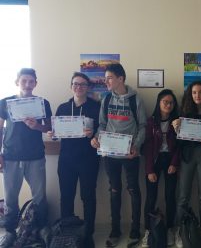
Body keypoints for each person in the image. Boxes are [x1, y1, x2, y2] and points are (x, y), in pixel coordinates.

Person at [91, 63, 146, 248]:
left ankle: (135, 230)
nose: (106, 81)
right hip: (110, 155)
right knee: (114, 191)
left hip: (130, 155)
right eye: (105, 78)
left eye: (109, 78)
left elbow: (143, 127)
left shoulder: (135, 99)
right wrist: (96, 138)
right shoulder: (106, 100)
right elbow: (102, 125)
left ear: (121, 78)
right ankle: (115, 231)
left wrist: (136, 146)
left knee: (133, 190)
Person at [0, 68, 52, 248]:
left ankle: (42, 228)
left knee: (40, 196)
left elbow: (48, 128)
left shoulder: (43, 103)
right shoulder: (5, 102)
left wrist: (36, 126)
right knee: (10, 198)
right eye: (24, 81)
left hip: (35, 156)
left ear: (36, 83)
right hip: (11, 157)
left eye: (31, 81)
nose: (28, 85)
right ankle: (9, 232)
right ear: (17, 82)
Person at [47, 72, 100, 248]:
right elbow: (57, 134)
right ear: (71, 86)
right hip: (67, 160)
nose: (79, 87)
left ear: (88, 87)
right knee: (67, 197)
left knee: (88, 197)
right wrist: (53, 135)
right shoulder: (62, 108)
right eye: (75, 84)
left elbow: (103, 130)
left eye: (83, 84)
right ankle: (66, 234)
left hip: (89, 160)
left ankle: (88, 234)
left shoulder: (96, 107)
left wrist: (94, 134)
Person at [172, 80, 201, 248]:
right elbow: (178, 142)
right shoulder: (183, 112)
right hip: (187, 156)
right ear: (190, 95)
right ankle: (179, 229)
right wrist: (176, 127)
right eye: (194, 92)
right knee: (183, 195)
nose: (197, 95)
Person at [141, 89, 179, 247]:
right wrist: (149, 170)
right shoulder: (151, 121)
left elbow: (179, 146)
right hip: (154, 161)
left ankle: (170, 229)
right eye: (165, 102)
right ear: (159, 103)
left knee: (170, 196)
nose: (168, 105)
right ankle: (148, 230)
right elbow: (148, 147)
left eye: (171, 102)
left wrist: (174, 163)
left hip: (170, 160)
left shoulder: (177, 122)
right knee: (151, 197)